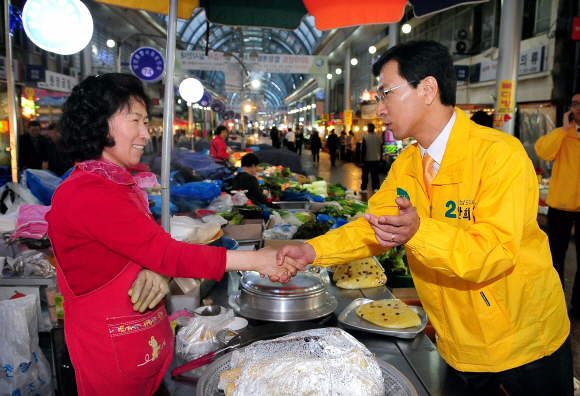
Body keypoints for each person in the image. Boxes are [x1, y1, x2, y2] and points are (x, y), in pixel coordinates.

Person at [277, 41, 572, 396]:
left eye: (386, 94)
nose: (379, 109)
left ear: (428, 89)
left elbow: (492, 253)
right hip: (456, 342)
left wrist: (417, 231)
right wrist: (311, 252)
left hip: (523, 341)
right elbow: (373, 225)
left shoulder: (499, 157)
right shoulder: (408, 164)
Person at [47, 73, 297, 396]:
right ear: (100, 123)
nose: (144, 132)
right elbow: (167, 252)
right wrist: (258, 260)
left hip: (138, 352)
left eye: (145, 121)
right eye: (134, 120)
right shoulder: (88, 192)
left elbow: (142, 249)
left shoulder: (118, 183)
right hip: (111, 361)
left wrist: (153, 268)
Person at [535, 94, 580, 319]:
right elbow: (543, 152)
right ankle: (556, 303)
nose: (579, 108)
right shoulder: (564, 135)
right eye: (575, 104)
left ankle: (579, 306)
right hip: (560, 205)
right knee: (555, 256)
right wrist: (563, 129)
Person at [360, 123, 382, 193]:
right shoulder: (378, 138)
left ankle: (364, 188)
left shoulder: (365, 137)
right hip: (376, 159)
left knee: (365, 175)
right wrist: (380, 157)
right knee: (375, 175)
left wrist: (361, 160)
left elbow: (363, 149)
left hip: (367, 159)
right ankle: (376, 188)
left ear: (368, 129)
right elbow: (381, 148)